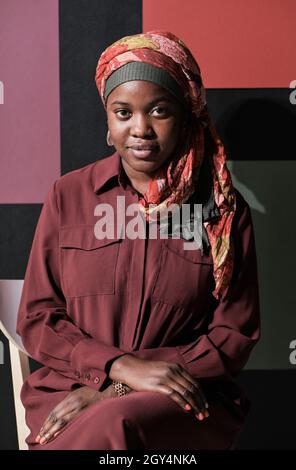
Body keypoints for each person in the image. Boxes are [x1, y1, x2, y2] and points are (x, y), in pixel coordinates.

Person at [16, 30, 260, 450]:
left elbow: (233, 333)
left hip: (181, 395)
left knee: (118, 420)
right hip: (70, 391)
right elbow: (39, 318)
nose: (140, 129)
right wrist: (116, 369)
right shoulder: (69, 195)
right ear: (108, 123)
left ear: (186, 116)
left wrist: (119, 390)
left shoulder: (223, 210)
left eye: (159, 111)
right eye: (123, 113)